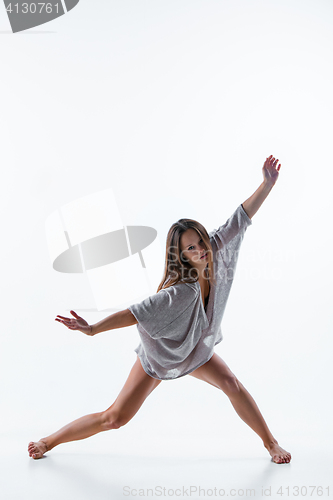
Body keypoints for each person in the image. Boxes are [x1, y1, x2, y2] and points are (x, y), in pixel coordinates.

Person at [28, 155, 291, 464]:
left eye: (200, 241)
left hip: (195, 348)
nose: (200, 250)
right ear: (181, 256)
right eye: (191, 248)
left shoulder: (217, 250)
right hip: (160, 354)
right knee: (114, 418)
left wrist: (267, 184)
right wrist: (93, 328)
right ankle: (48, 441)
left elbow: (241, 216)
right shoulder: (179, 292)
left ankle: (271, 443)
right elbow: (133, 313)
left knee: (231, 383)